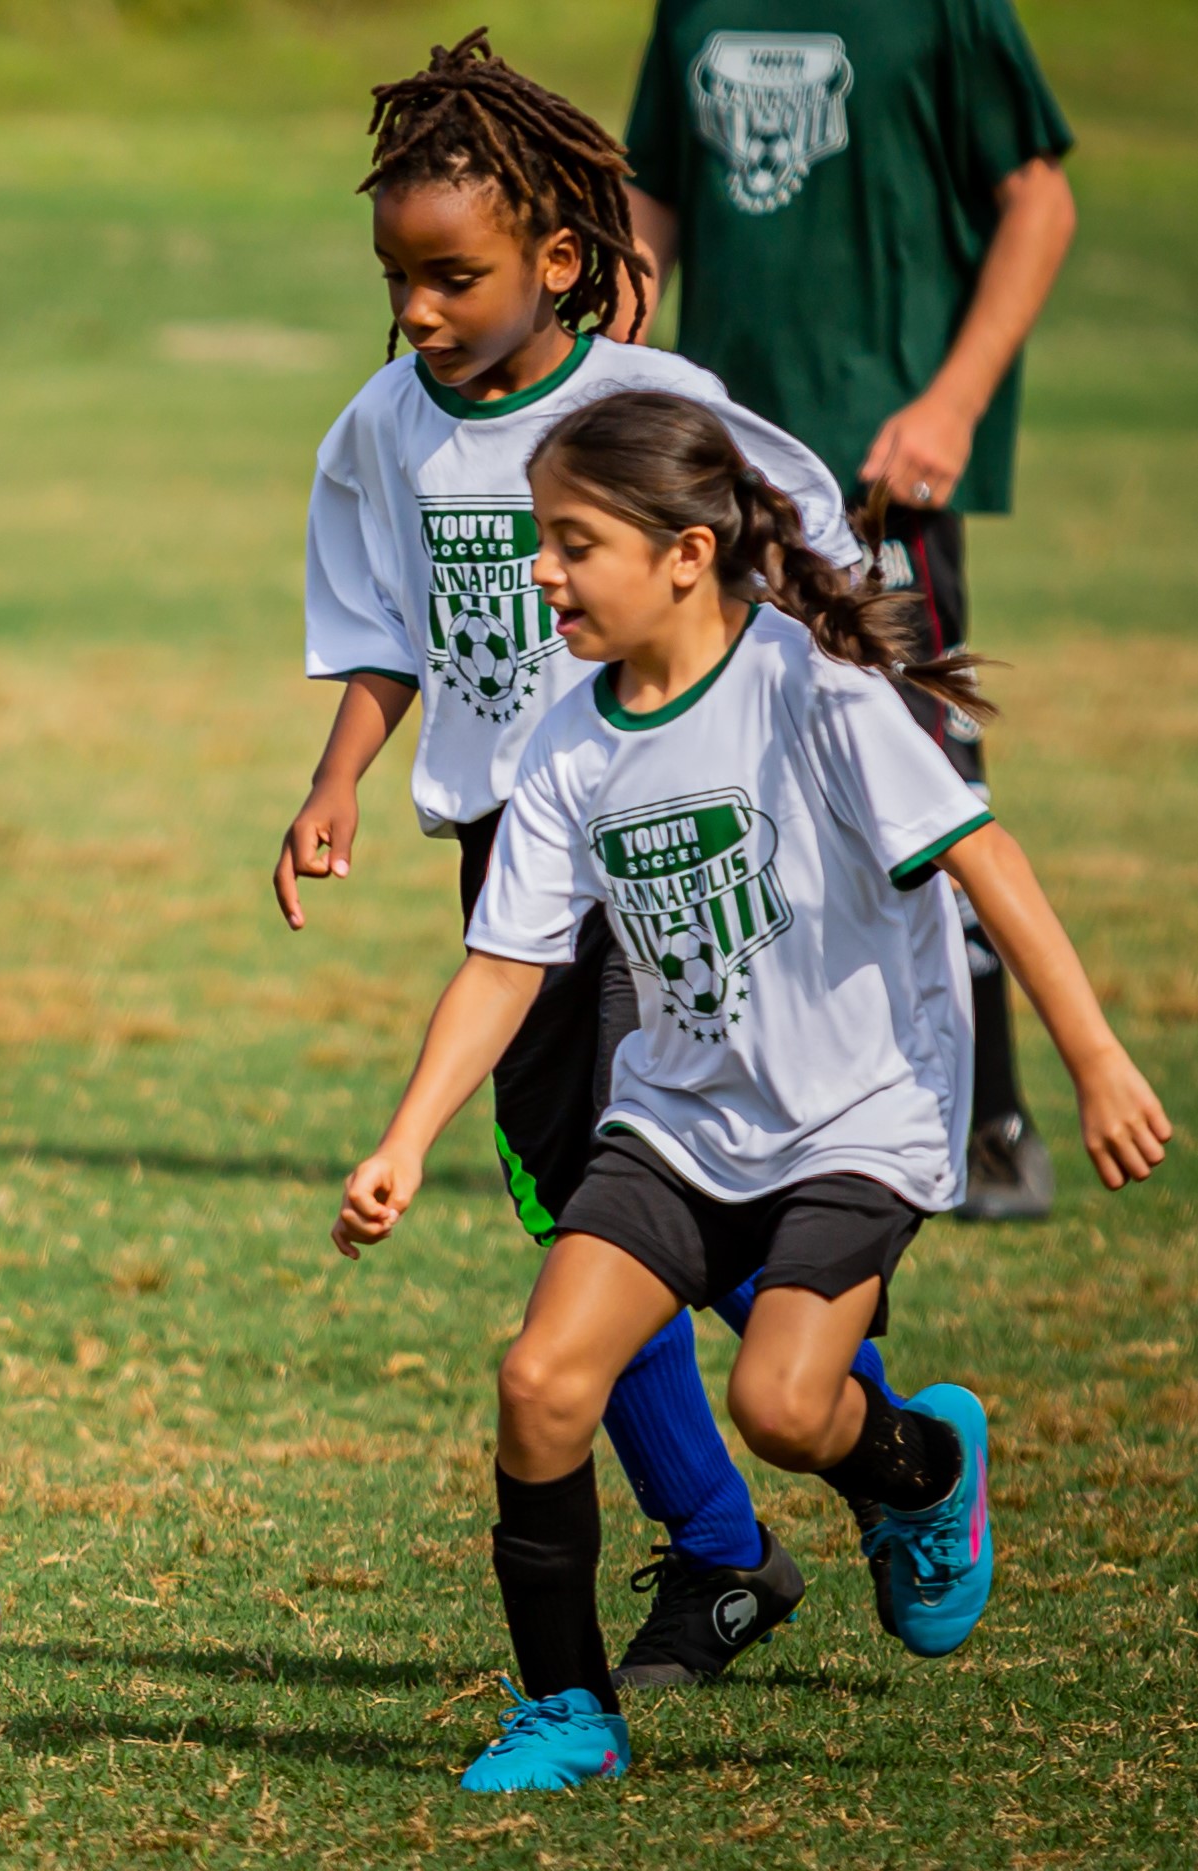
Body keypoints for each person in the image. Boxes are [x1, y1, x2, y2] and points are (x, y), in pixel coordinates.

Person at [334, 389, 1169, 1792]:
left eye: (571, 542)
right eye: (541, 539)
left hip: (858, 1116)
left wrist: (1094, 1059)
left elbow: (989, 862)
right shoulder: (566, 744)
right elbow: (501, 968)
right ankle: (566, 1709)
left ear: (683, 552)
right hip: (680, 1118)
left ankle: (915, 1470)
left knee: (785, 1404)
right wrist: (403, 1138)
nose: (539, 571)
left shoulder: (817, 691)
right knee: (540, 1378)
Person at [275, 31, 886, 1691]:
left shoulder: (652, 408)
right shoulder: (381, 429)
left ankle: (859, 1435)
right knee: (575, 1208)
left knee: (672, 1188)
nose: (414, 308)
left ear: (559, 258)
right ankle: (731, 1540)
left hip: (674, 851)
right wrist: (336, 784)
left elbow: (816, 547)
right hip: (508, 857)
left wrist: (845, 750)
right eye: (395, 275)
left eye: (450, 276)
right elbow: (383, 628)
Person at [622, 0, 1079, 1220]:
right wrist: (614, 364)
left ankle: (991, 1124)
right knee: (730, 796)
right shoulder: (695, 7)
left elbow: (1040, 200)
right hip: (718, 476)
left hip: (880, 476)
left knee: (924, 791)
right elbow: (651, 204)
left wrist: (955, 404)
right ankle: (749, 1116)